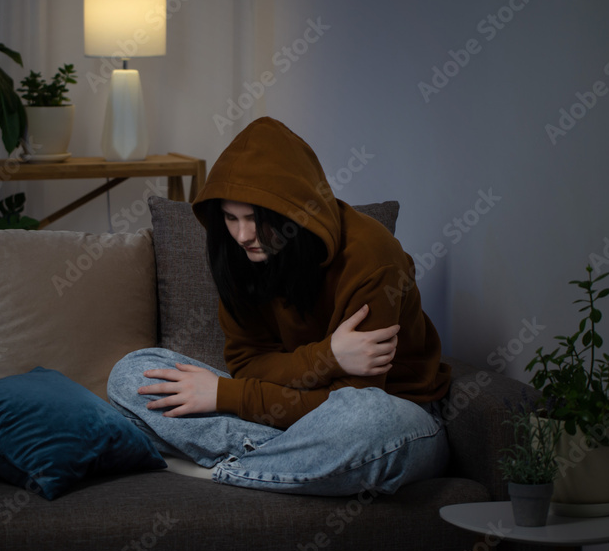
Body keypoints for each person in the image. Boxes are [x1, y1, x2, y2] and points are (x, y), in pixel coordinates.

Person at [108, 117, 451, 496]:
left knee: (364, 416)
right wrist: (330, 356)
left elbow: (348, 399)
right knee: (132, 372)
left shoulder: (373, 257)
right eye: (230, 217)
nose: (241, 235)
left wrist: (225, 395)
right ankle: (285, 467)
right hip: (282, 421)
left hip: (393, 419)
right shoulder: (238, 254)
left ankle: (223, 472)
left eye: (255, 219)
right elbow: (247, 364)